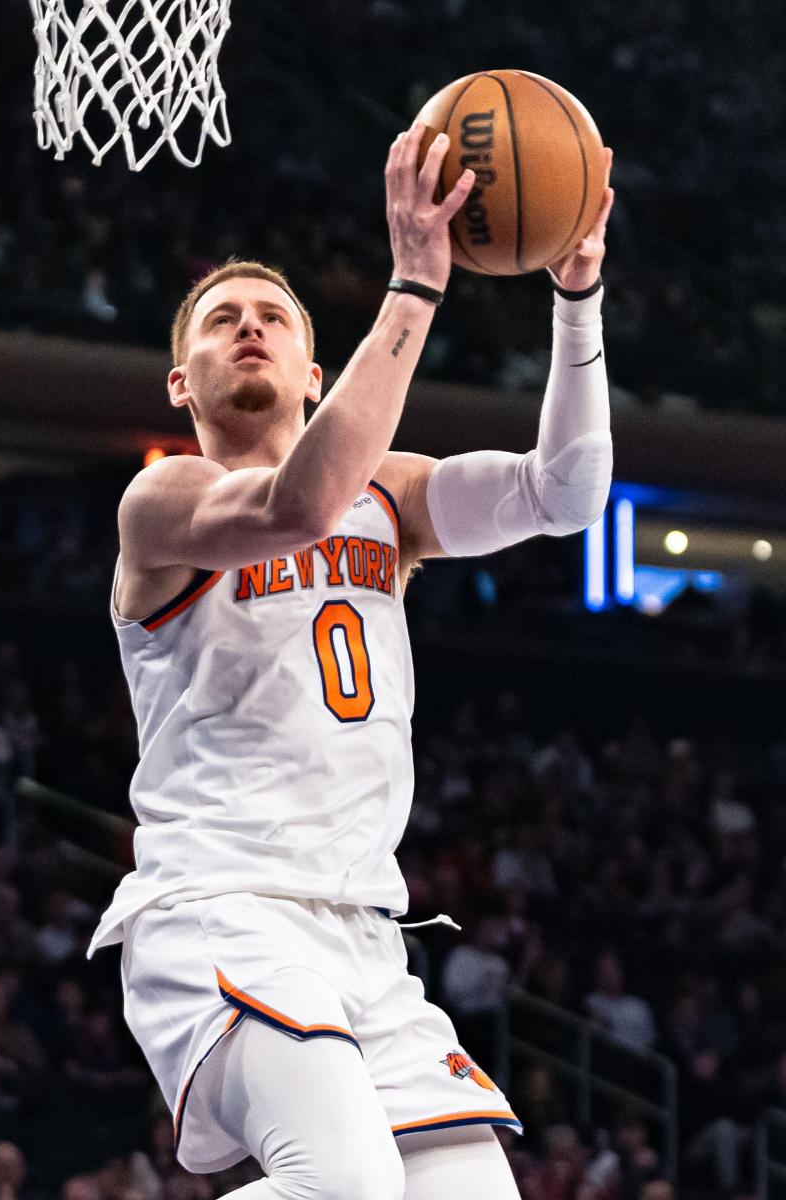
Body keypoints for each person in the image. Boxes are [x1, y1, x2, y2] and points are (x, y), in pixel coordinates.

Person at [88, 123, 615, 1198]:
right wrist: (414, 287)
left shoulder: (393, 501)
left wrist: (577, 301)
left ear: (313, 370)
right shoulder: (163, 505)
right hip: (218, 906)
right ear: (180, 386)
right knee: (347, 1189)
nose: (248, 330)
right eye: (220, 322)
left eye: (271, 319)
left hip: (363, 930)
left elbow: (567, 494)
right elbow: (298, 503)